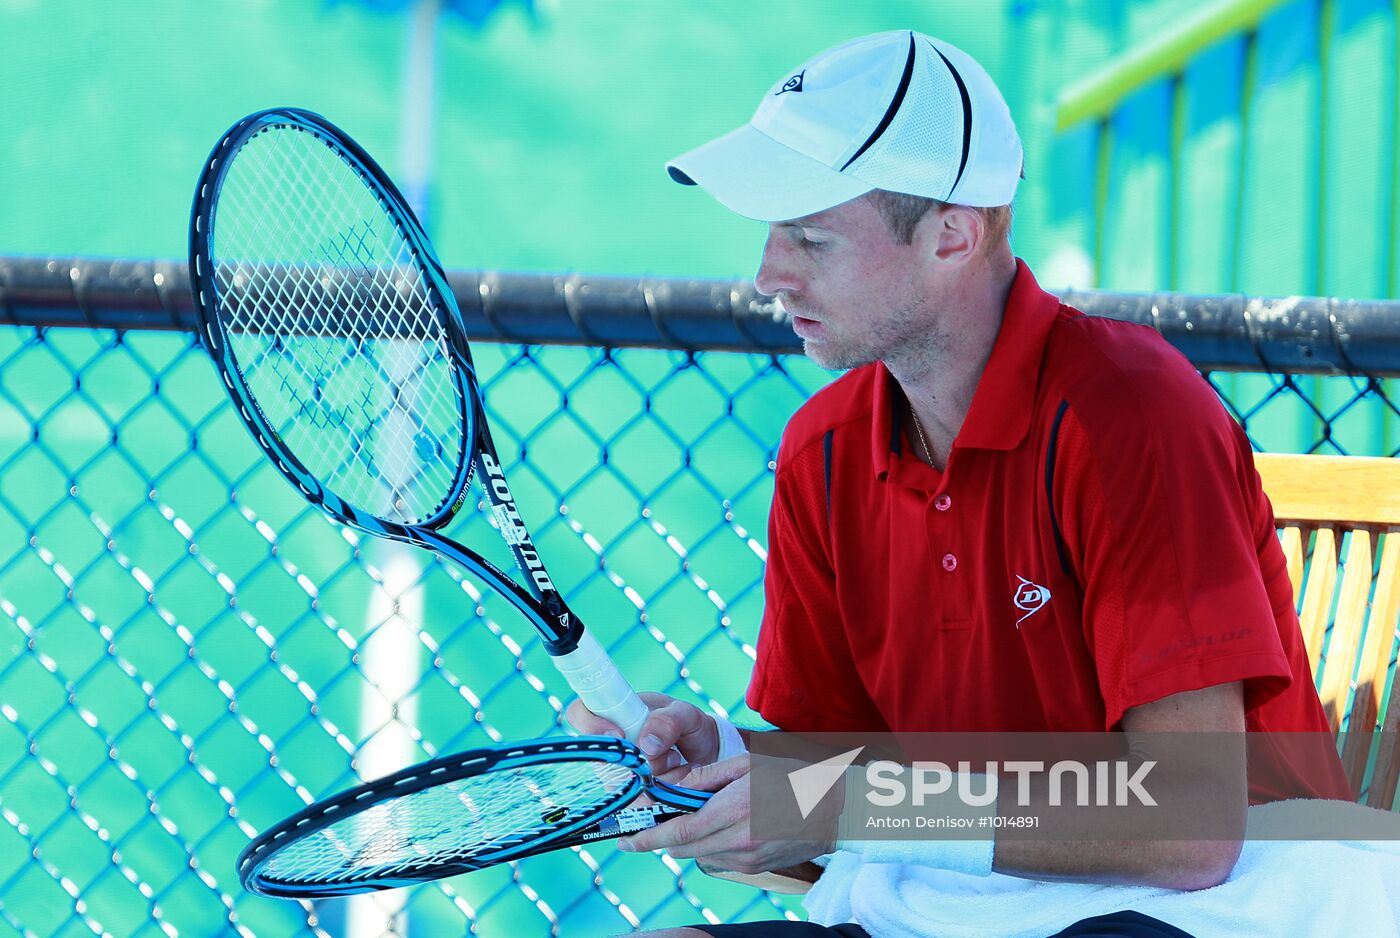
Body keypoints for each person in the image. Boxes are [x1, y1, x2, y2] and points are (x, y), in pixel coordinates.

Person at [568, 30, 1357, 937]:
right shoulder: (823, 446)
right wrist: (728, 765)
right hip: (958, 909)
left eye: (812, 238)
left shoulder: (1133, 415)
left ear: (954, 234)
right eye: (771, 235)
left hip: (1219, 907)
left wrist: (841, 804)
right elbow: (851, 784)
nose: (768, 276)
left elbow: (1192, 829)